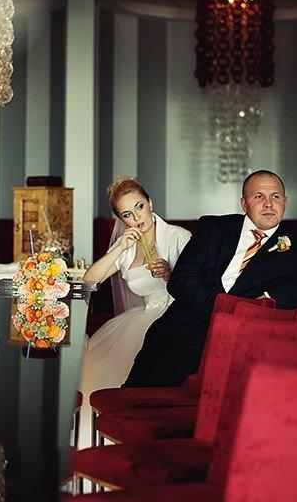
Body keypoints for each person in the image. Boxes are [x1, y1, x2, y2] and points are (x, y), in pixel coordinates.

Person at [124, 169, 297, 388]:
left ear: (285, 202)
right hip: (187, 327)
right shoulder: (213, 228)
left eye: (275, 196)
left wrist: (268, 298)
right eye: (259, 196)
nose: (268, 203)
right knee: (140, 394)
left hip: (244, 336)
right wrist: (224, 310)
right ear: (244, 204)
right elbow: (180, 280)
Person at [77, 177, 191, 446]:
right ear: (121, 219)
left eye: (139, 207)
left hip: (177, 318)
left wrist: (171, 274)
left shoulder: (179, 237)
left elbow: (198, 286)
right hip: (142, 317)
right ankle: (107, 443)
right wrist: (119, 247)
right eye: (127, 214)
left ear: (150, 203)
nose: (137, 218)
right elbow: (89, 281)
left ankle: (146, 441)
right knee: (101, 364)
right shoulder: (127, 247)